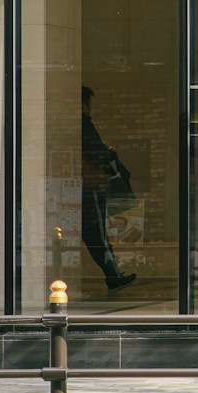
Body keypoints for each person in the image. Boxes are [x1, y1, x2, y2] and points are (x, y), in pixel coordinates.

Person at [79, 86, 135, 293]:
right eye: (89, 104)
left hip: (83, 185)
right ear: (83, 104)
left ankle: (113, 275)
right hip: (90, 186)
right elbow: (96, 153)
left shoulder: (76, 127)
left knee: (94, 233)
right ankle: (113, 276)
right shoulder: (84, 126)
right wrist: (109, 153)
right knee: (97, 233)